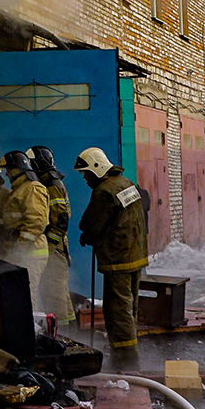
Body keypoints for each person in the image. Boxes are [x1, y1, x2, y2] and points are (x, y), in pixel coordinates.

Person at [75, 146, 147, 371]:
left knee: (117, 311)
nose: (85, 178)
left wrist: (87, 235)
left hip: (118, 259)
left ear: (98, 168)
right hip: (135, 255)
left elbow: (89, 223)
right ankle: (128, 355)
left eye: (87, 173)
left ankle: (125, 361)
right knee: (129, 307)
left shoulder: (104, 191)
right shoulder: (126, 183)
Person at [30, 145, 75, 325]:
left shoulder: (52, 185)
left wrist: (50, 244)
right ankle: (70, 330)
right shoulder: (49, 182)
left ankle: (61, 334)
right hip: (57, 247)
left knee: (54, 293)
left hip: (54, 248)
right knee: (60, 292)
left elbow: (61, 219)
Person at [0, 150, 49, 293]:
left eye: (8, 170)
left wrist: (20, 249)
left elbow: (36, 223)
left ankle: (32, 316)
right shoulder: (21, 189)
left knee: (27, 296)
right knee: (19, 294)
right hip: (24, 252)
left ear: (16, 169)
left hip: (31, 253)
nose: (6, 174)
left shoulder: (32, 188)